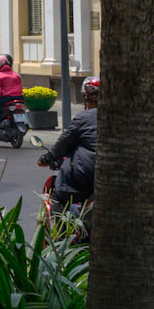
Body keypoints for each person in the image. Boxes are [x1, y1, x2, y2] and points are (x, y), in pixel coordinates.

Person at [39, 76, 100, 214]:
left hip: (85, 178)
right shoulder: (118, 117)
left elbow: (62, 144)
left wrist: (48, 157)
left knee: (59, 193)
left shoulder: (83, 118)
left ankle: (59, 233)